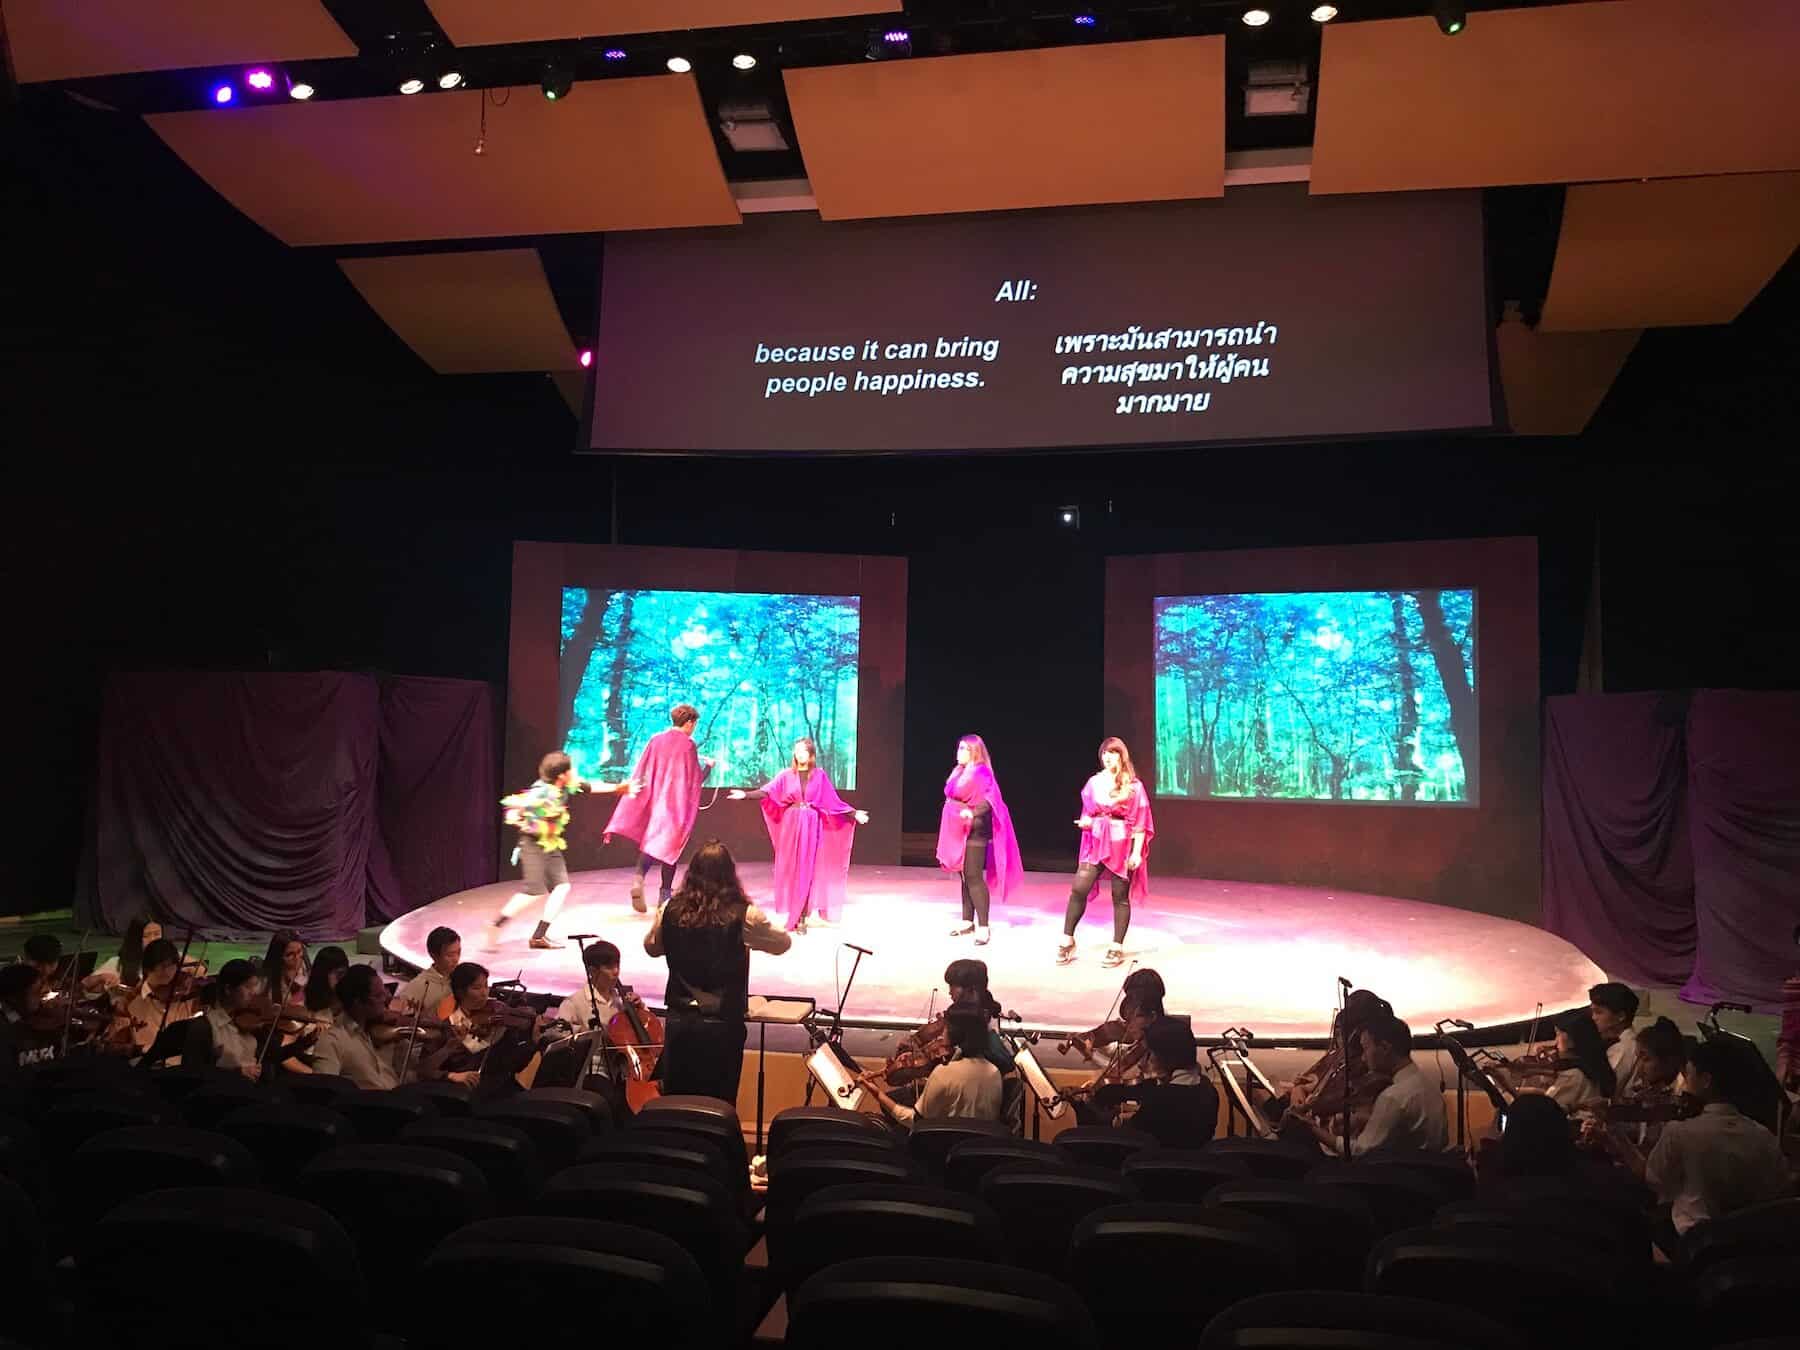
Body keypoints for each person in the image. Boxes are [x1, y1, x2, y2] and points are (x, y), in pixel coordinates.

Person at [1606, 1036, 1790, 1250]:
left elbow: (1651, 1179)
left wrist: (1616, 1134)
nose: (1685, 1081)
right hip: (1752, 1243)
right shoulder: (1764, 1136)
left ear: (1706, 1080)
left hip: (1696, 1244)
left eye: (1689, 1073)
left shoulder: (1680, 1132)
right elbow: (1779, 1187)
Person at [644, 839, 789, 1103]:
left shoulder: (669, 909)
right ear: (730, 875)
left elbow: (652, 948)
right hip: (723, 1024)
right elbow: (782, 944)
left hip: (680, 1022)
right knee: (719, 1103)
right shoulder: (745, 915)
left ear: (692, 873)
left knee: (678, 1101)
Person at [495, 752, 636, 949]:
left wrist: (617, 788)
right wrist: (521, 820)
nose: (573, 772)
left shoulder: (566, 785)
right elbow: (514, 808)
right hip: (532, 845)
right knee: (534, 892)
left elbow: (588, 787)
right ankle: (497, 924)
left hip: (551, 843)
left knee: (562, 887)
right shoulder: (542, 793)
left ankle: (538, 936)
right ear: (562, 775)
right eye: (570, 769)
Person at [728, 736, 869, 933]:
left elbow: (832, 801)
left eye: (803, 750)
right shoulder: (786, 775)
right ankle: (796, 914)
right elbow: (767, 791)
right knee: (793, 869)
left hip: (811, 824)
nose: (799, 754)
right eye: (797, 750)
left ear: (811, 754)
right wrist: (746, 795)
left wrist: (854, 813)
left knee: (808, 869)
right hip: (792, 825)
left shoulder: (819, 776)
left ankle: (801, 917)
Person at [606, 705, 713, 914]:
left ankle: (638, 879)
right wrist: (709, 766)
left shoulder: (656, 740)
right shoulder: (688, 745)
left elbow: (642, 769)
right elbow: (695, 780)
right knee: (670, 851)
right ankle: (665, 895)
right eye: (695, 724)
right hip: (675, 807)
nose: (694, 728)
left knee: (651, 844)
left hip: (655, 802)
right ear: (689, 722)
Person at [1058, 737, 1155, 969]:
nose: (1107, 757)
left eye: (1113, 753)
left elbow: (1140, 822)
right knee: (1079, 888)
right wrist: (1086, 821)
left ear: (1122, 756)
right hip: (1096, 842)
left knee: (1120, 896)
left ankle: (1116, 946)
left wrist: (1136, 853)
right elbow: (1088, 813)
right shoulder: (1094, 782)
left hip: (1121, 845)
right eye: (1104, 753)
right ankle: (1067, 939)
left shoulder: (1134, 786)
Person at [1306, 1014, 1447, 1155]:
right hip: (1427, 1166)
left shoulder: (1393, 1097)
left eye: (1365, 1048)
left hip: (1391, 1168)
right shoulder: (1427, 1085)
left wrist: (1313, 1129)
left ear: (1384, 1048)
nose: (1363, 1058)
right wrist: (1361, 1119)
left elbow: (1358, 1152)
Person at [1276, 989, 1395, 1144]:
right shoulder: (1343, 1058)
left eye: (1341, 1032)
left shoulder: (1372, 1071)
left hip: (1331, 1145)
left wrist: (1305, 1107)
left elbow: (1325, 1104)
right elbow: (1315, 1092)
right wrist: (1301, 1092)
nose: (1339, 1039)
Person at [938, 735, 1022, 947]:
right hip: (956, 827)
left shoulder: (981, 772)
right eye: (959, 748)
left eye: (963, 749)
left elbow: (989, 800)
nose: (959, 752)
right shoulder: (959, 771)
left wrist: (973, 813)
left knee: (973, 876)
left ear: (974, 751)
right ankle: (967, 921)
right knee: (964, 875)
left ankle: (983, 926)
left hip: (974, 829)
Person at [861, 1008, 1003, 1129]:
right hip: (976, 1148)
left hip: (940, 1147)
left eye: (945, 1029)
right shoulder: (995, 1072)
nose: (940, 1036)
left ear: (955, 1034)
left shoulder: (943, 1072)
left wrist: (877, 1093)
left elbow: (915, 1121)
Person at [1097, 1016, 1219, 1148]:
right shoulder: (1207, 1088)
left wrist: (1118, 1120)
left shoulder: (1159, 1099)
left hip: (1157, 1159)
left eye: (1150, 1054)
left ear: (1167, 1058)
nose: (1144, 1062)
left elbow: (1133, 1133)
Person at [1492, 1011, 1614, 1114]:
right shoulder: (1591, 1067)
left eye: (1558, 1034)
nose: (1555, 1042)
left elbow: (1544, 1112)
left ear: (1572, 1039)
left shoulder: (1573, 1075)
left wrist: (1506, 1085)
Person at [308, 965, 399, 1089]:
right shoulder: (332, 1041)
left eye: (384, 992)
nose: (385, 999)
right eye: (378, 995)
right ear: (358, 1002)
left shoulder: (369, 1031)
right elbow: (325, 1092)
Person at [193, 959, 264, 1081]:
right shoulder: (205, 1025)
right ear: (228, 989)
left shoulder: (249, 1022)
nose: (253, 992)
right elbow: (194, 1072)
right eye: (247, 986)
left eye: (254, 986)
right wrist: (238, 1072)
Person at [125, 937, 199, 1055]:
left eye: (172, 965)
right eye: (163, 966)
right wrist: (142, 1049)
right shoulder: (131, 1001)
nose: (169, 971)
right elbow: (115, 1047)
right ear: (148, 969)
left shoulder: (185, 996)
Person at [0, 964, 57, 1091]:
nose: (42, 998)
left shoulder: (38, 1017)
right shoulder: (5, 1032)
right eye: (36, 993)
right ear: (14, 997)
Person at [1588, 982, 1641, 1095]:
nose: (1593, 1018)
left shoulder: (1624, 1047)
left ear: (1621, 1016)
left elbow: (1604, 1090)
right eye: (1592, 1012)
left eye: (1598, 1012)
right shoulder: (1614, 1041)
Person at [395, 927, 461, 1016]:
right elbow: (403, 1017)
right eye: (450, 955)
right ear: (434, 956)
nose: (456, 959)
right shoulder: (418, 985)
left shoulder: (462, 977)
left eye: (458, 952)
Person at [260, 930, 309, 1010]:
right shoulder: (266, 981)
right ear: (278, 956)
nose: (297, 958)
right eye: (290, 954)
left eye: (299, 951)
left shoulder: (307, 969)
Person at [303, 946, 351, 1019]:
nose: (343, 979)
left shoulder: (349, 996)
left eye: (344, 973)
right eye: (339, 974)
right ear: (322, 975)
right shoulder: (305, 999)